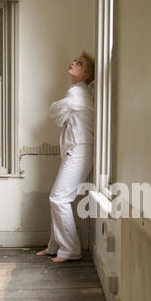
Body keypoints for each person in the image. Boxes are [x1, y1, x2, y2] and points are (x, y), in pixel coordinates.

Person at [36, 51, 95, 263]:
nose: (73, 63)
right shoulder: (76, 93)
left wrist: (65, 112)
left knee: (59, 198)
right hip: (76, 149)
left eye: (80, 63)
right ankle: (55, 246)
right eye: (74, 60)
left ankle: (70, 250)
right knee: (58, 197)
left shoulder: (77, 94)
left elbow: (54, 111)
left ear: (87, 75)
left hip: (80, 149)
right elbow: (60, 115)